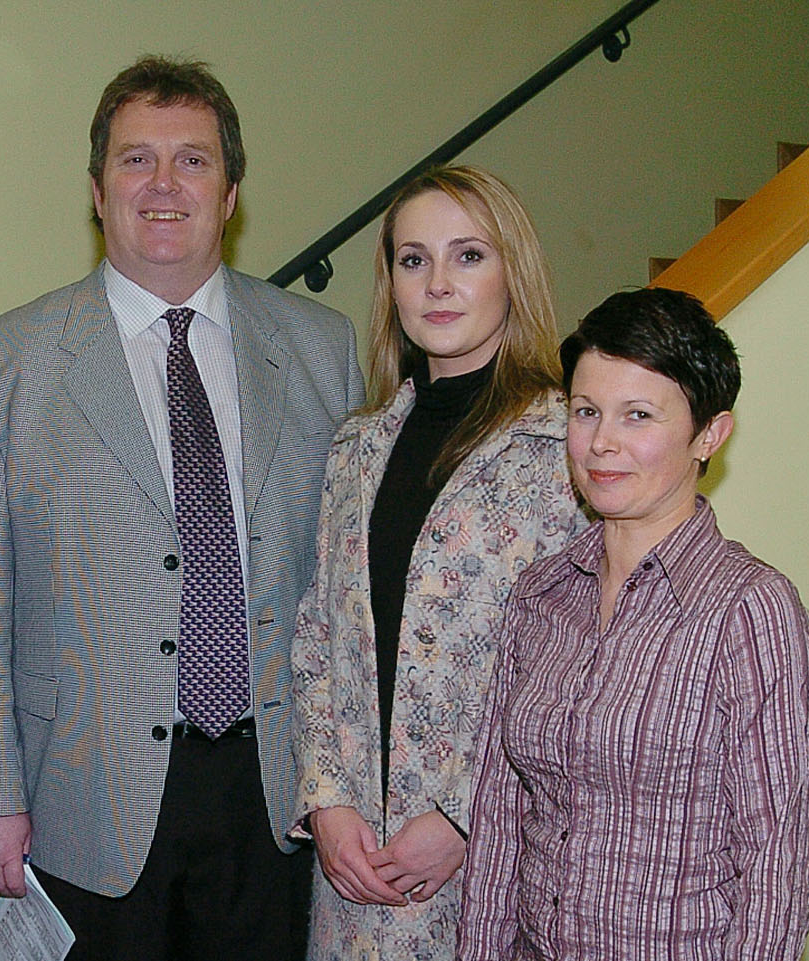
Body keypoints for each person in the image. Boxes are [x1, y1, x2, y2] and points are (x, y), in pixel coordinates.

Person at [0, 55, 363, 961]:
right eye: (136, 159)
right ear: (98, 191)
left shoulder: (321, 349)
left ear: (231, 192)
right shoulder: (2, 365)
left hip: (278, 794)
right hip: (85, 800)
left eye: (193, 160)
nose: (164, 184)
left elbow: (351, 597)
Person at [458, 286, 809, 960]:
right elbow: (499, 821)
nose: (602, 443)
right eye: (587, 411)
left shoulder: (749, 610)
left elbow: (775, 866)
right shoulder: (541, 595)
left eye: (638, 415)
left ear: (709, 434)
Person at [291, 165, 587, 960]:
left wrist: (464, 812)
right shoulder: (357, 447)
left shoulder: (567, 451)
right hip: (354, 868)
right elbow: (317, 636)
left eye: (469, 255)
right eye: (414, 259)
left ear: (513, 271)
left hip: (497, 864)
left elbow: (577, 666)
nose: (438, 284)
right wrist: (325, 800)